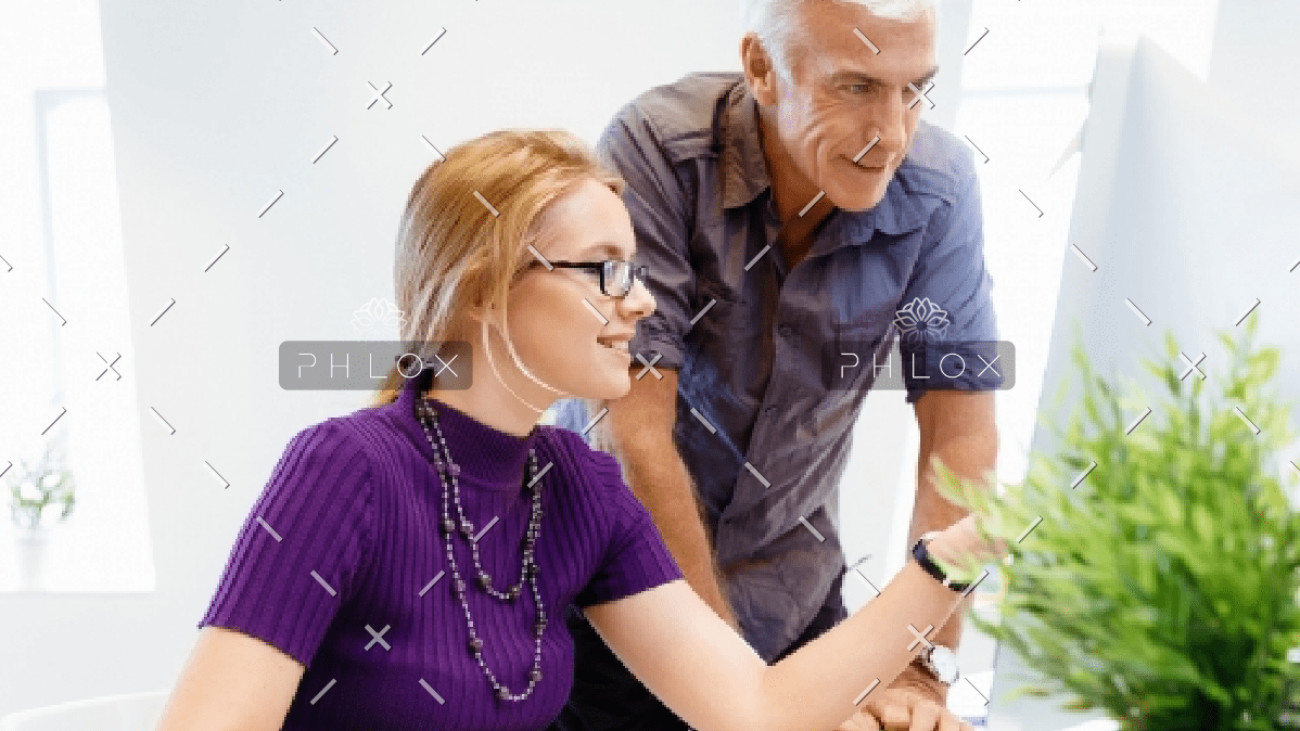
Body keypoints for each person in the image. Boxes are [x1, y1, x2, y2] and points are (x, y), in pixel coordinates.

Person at [151, 129, 1002, 731]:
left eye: (634, 268)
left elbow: (753, 710)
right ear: (483, 290)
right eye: (604, 270)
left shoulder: (580, 489)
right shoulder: (344, 468)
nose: (640, 301)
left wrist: (944, 565)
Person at [547, 1, 1006, 731]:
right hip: (610, 609)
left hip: (794, 603)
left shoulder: (940, 188)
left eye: (915, 88)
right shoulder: (659, 148)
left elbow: (960, 441)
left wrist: (920, 668)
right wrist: (735, 696)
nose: (891, 134)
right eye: (855, 86)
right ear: (762, 67)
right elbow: (631, 434)